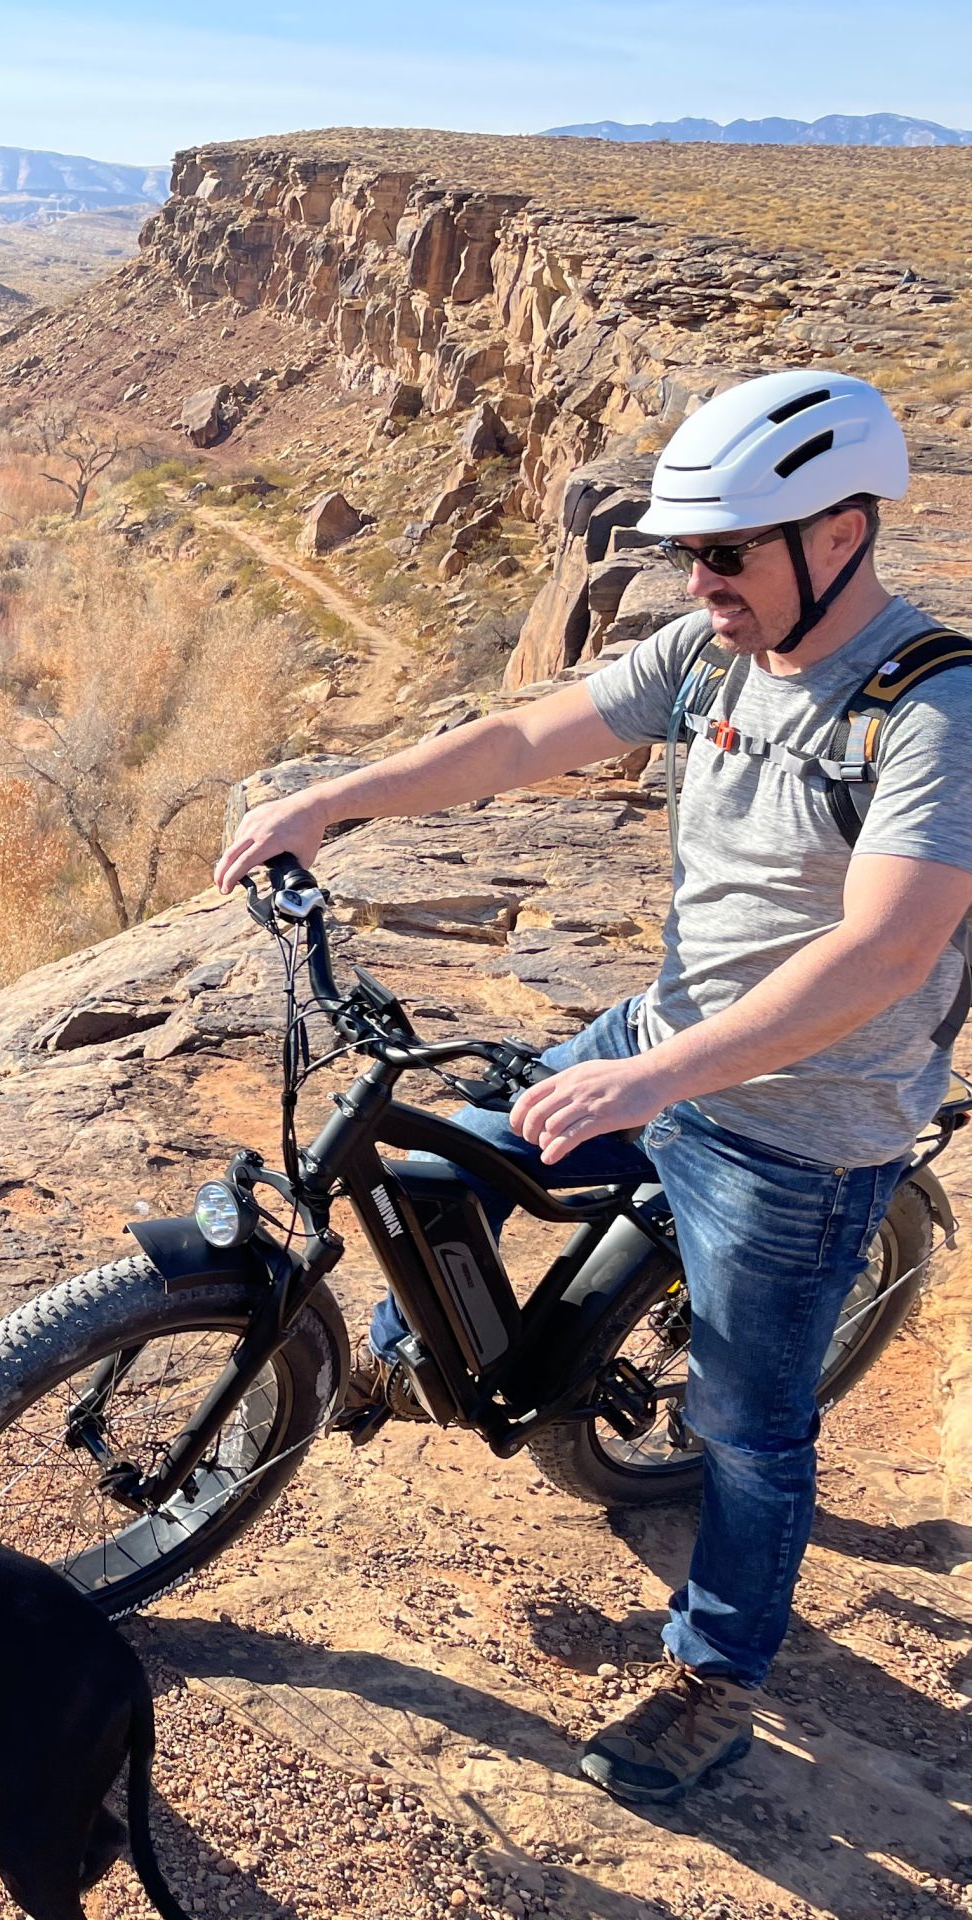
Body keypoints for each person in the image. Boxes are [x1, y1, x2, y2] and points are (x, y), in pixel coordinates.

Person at [216, 368, 972, 1806]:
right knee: (438, 1168)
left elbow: (886, 950)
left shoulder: (933, 710)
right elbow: (525, 740)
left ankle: (716, 1679)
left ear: (844, 533)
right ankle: (407, 1352)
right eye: (692, 552)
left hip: (802, 1134)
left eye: (729, 552)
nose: (700, 580)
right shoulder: (712, 655)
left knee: (749, 1428)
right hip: (667, 1037)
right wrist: (332, 798)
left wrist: (658, 1079)